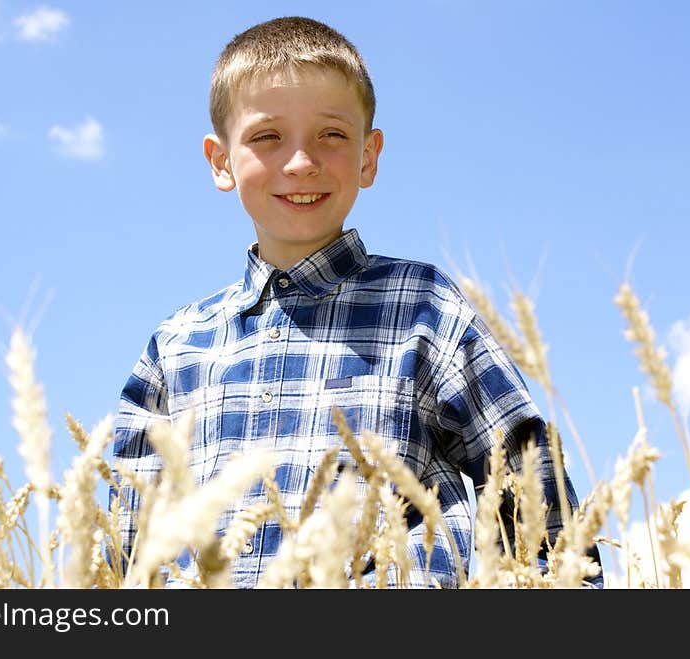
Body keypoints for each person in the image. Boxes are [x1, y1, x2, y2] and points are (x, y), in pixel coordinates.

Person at [110, 15, 603, 589]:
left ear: (368, 157)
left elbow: (527, 473)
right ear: (221, 161)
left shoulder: (424, 307)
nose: (301, 162)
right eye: (268, 136)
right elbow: (128, 538)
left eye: (332, 135)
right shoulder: (178, 344)